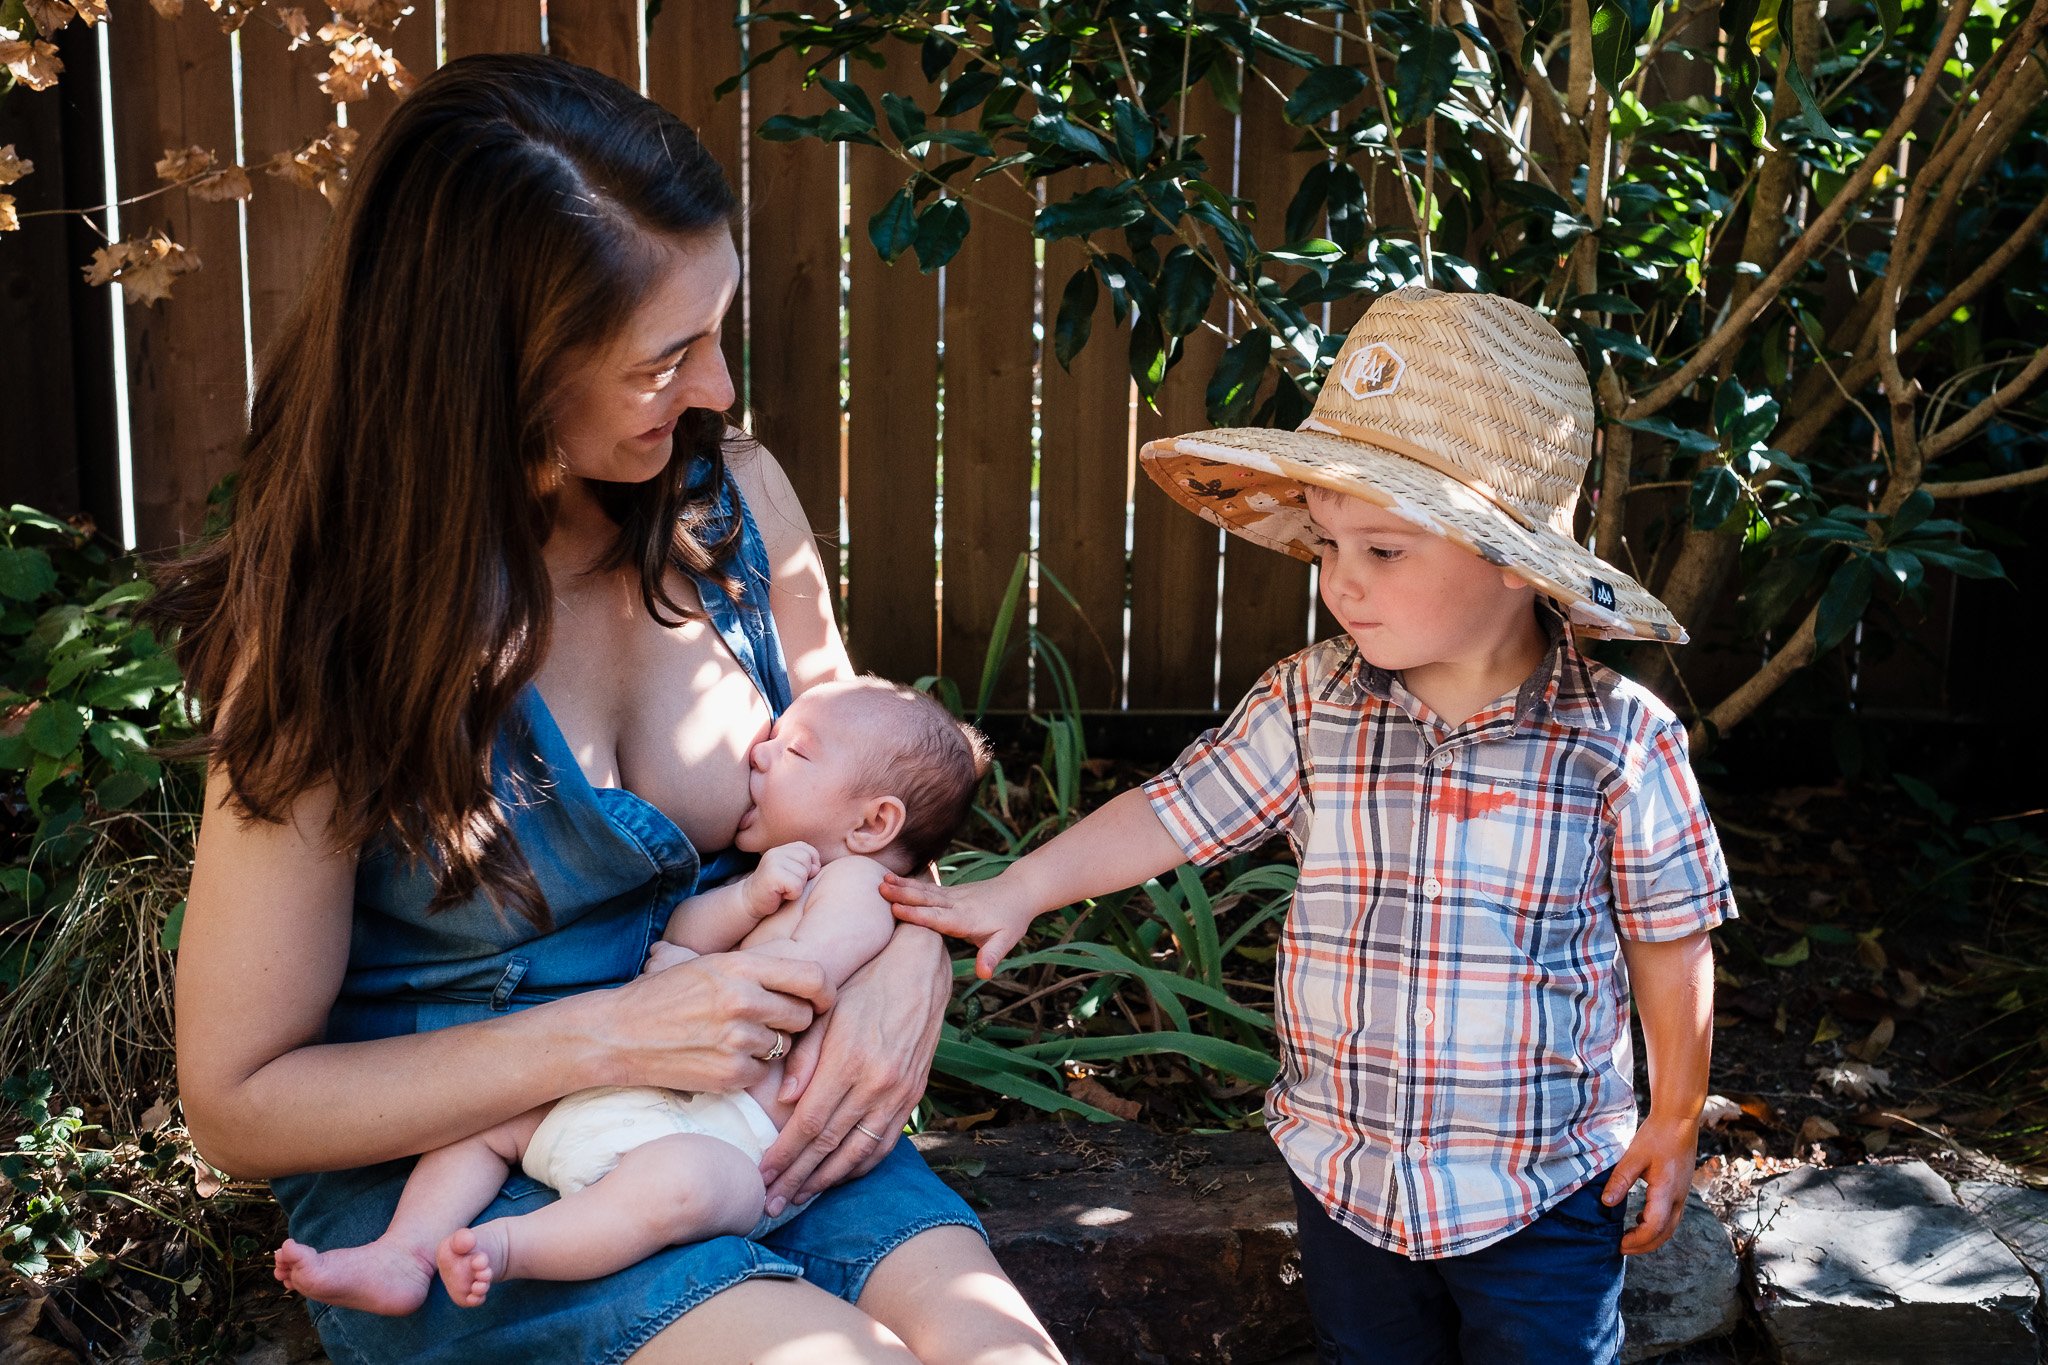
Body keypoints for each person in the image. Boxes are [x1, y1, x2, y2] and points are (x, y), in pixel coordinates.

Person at [151, 52, 1063, 1365]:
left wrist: (909, 948)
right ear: (496, 371)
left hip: (748, 1122)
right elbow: (238, 1104)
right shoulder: (335, 645)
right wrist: (617, 1031)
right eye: (665, 359)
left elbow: (879, 796)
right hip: (475, 1181)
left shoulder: (732, 507)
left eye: (720, 326)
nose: (721, 393)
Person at [883, 288, 1733, 1364]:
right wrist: (1013, 889)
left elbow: (1670, 936)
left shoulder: (1615, 740)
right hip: (1346, 1176)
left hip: (1540, 1186)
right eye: (1326, 546)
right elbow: (1169, 813)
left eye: (1382, 552)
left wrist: (1674, 1113)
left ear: (1513, 561)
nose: (1338, 585)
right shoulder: (1309, 701)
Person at [270, 678, 991, 1316]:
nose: (760, 754)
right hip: (639, 1087)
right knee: (488, 1122)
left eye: (795, 753)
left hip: (738, 1138)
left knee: (676, 1187)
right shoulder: (789, 876)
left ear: (873, 823)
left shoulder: (859, 887)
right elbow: (687, 933)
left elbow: (805, 977)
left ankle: (508, 1246)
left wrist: (734, 962)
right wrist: (742, 900)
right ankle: (403, 1249)